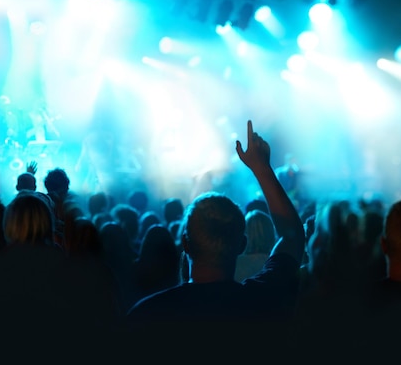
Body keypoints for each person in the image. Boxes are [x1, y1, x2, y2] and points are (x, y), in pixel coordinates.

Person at [126, 120, 305, 360]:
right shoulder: (263, 300)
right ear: (242, 245)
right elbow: (291, 236)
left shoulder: (145, 316)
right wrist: (262, 169)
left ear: (185, 244)